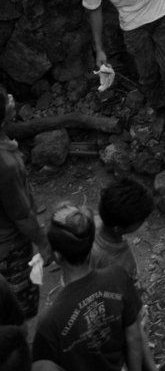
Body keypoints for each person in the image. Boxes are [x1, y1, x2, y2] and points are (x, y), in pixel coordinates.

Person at [31, 203, 143, 371]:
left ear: (57, 255)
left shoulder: (50, 321)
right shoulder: (118, 277)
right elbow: (134, 337)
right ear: (90, 242)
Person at [90, 178, 156, 371]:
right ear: (119, 228)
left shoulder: (91, 225)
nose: (142, 224)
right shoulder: (117, 261)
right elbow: (132, 326)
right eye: (140, 222)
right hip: (118, 318)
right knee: (134, 347)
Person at [0, 87, 49, 321]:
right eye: (6, 100)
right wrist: (43, 242)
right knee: (19, 309)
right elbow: (21, 217)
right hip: (9, 248)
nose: (11, 98)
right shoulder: (5, 165)